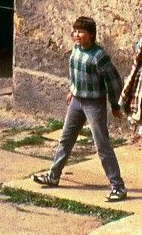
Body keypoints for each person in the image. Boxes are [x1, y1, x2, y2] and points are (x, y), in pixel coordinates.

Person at [33, 16, 128, 202]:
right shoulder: (76, 49)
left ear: (91, 35)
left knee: (102, 145)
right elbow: (75, 71)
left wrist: (115, 105)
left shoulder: (99, 56)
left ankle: (118, 187)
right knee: (65, 139)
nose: (76, 35)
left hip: (94, 104)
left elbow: (114, 81)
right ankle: (53, 176)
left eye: (81, 32)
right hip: (77, 101)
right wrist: (72, 89)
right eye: (75, 31)